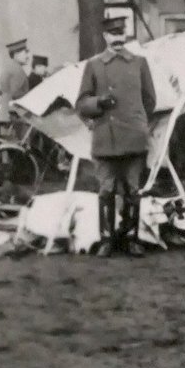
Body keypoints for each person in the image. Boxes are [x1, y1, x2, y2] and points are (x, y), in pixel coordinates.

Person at [75, 16, 157, 258]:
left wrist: (137, 121)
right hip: (106, 138)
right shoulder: (95, 65)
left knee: (133, 189)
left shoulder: (139, 63)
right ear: (105, 37)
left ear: (126, 35)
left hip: (133, 136)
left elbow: (149, 100)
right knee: (106, 189)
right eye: (113, 34)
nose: (118, 38)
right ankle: (107, 239)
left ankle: (131, 238)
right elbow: (81, 103)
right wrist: (99, 102)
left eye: (121, 33)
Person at [0, 38, 32, 134]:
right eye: (25, 52)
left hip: (8, 115)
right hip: (15, 116)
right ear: (16, 54)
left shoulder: (10, 67)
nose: (27, 56)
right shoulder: (17, 71)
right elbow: (15, 94)